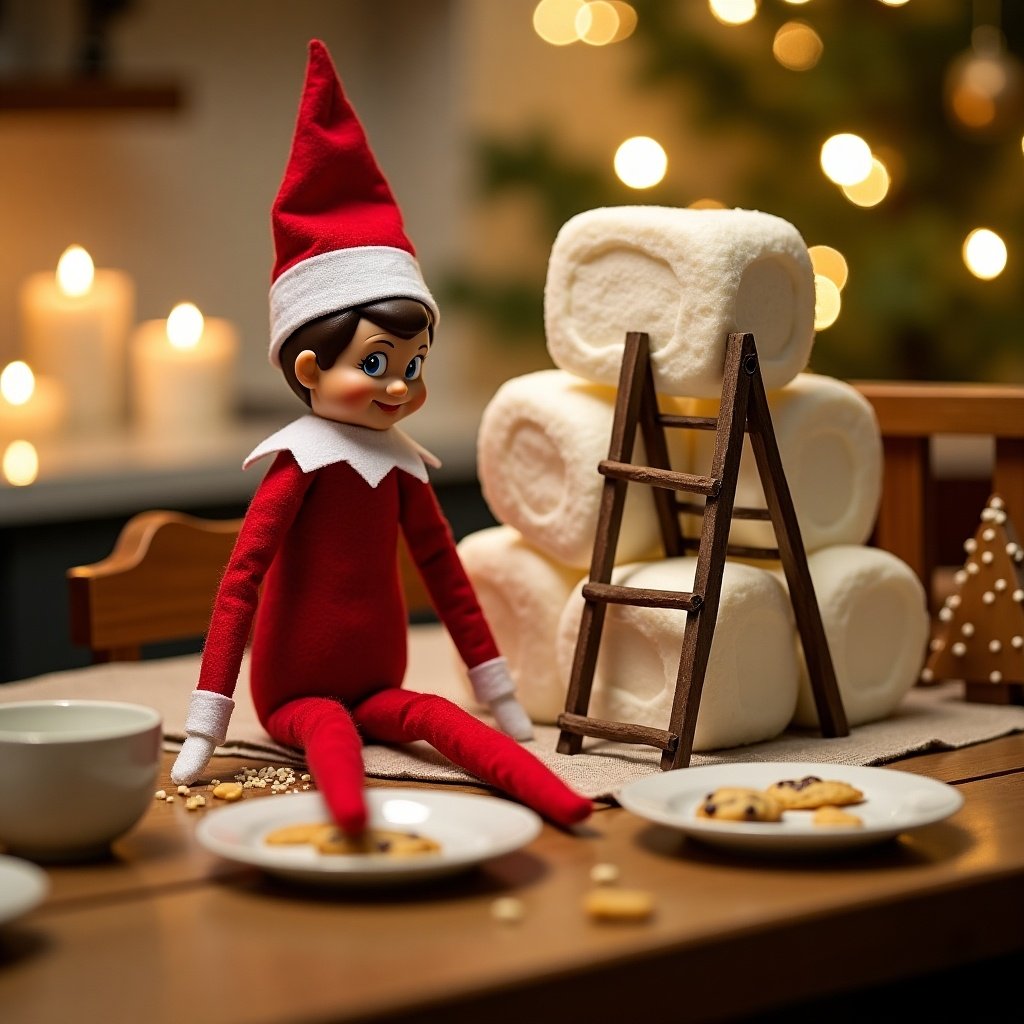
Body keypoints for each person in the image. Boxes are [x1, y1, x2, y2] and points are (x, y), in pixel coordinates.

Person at [169, 39, 592, 834]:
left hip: (381, 682)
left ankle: (562, 799)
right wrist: (207, 722)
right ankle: (355, 829)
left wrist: (496, 693)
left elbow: (445, 573)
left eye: (414, 363)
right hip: (293, 695)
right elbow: (240, 585)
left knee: (440, 720)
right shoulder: (299, 465)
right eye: (375, 363)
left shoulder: (400, 465)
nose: (400, 386)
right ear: (306, 364)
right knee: (329, 740)